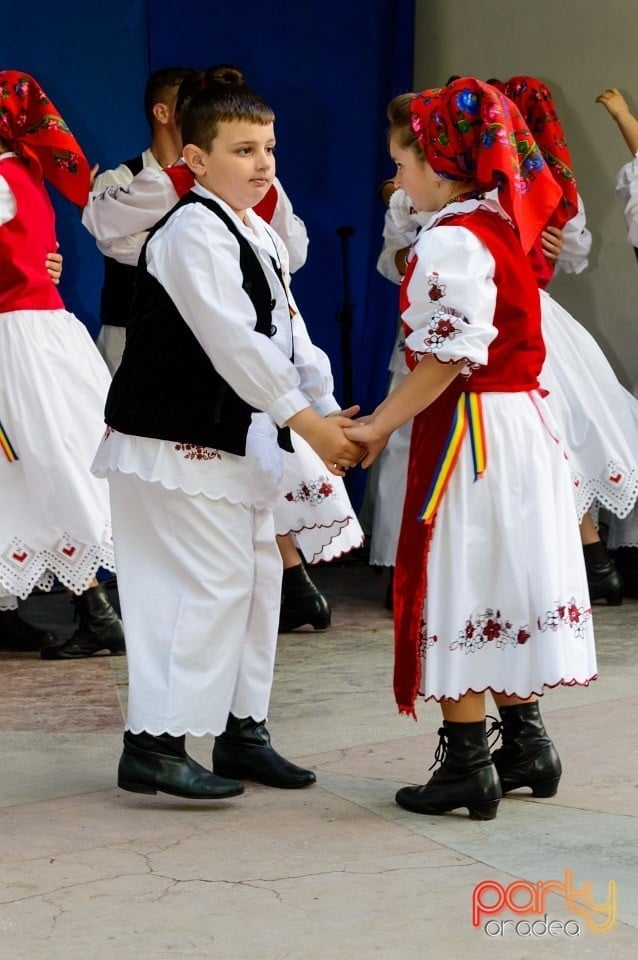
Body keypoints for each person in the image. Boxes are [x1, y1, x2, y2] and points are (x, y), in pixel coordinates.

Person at [92, 81, 362, 799]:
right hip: (172, 439)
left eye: (269, 148)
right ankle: (154, 743)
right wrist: (306, 423)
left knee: (255, 582)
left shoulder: (256, 230)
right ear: (196, 159)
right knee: (202, 587)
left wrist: (332, 415)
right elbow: (232, 342)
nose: (263, 163)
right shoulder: (190, 231)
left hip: (230, 441)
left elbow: (291, 336)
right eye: (243, 150)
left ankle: (243, 733)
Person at [345, 78, 596, 820]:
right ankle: (525, 742)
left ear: (436, 162)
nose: (398, 181)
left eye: (403, 164)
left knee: (457, 574)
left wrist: (379, 423)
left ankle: (466, 760)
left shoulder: (453, 237)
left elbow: (448, 354)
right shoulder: (492, 217)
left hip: (473, 429)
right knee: (500, 573)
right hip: (519, 423)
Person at [0, 70, 124, 658]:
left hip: (15, 340)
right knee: (24, 469)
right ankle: (13, 604)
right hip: (40, 333)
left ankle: (94, 606)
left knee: (47, 461)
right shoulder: (22, 168)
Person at [91, 66, 198, 375]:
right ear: (163, 112)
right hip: (127, 338)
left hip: (195, 339)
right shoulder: (118, 180)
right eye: (189, 103)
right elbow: (120, 246)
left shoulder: (213, 184)